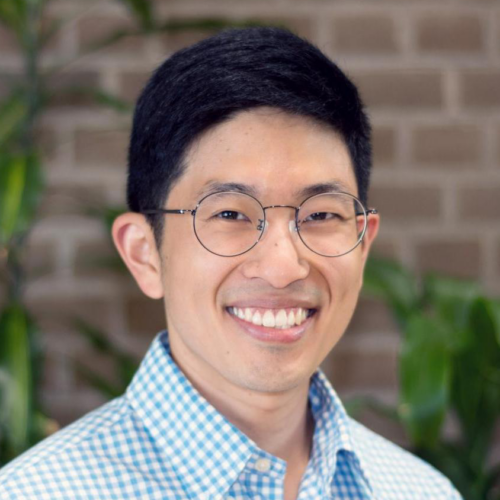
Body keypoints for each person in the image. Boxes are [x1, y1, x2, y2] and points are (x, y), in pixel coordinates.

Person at [0, 27, 461, 500]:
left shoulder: (423, 491)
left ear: (363, 247)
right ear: (144, 253)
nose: (284, 267)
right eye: (230, 214)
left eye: (322, 214)